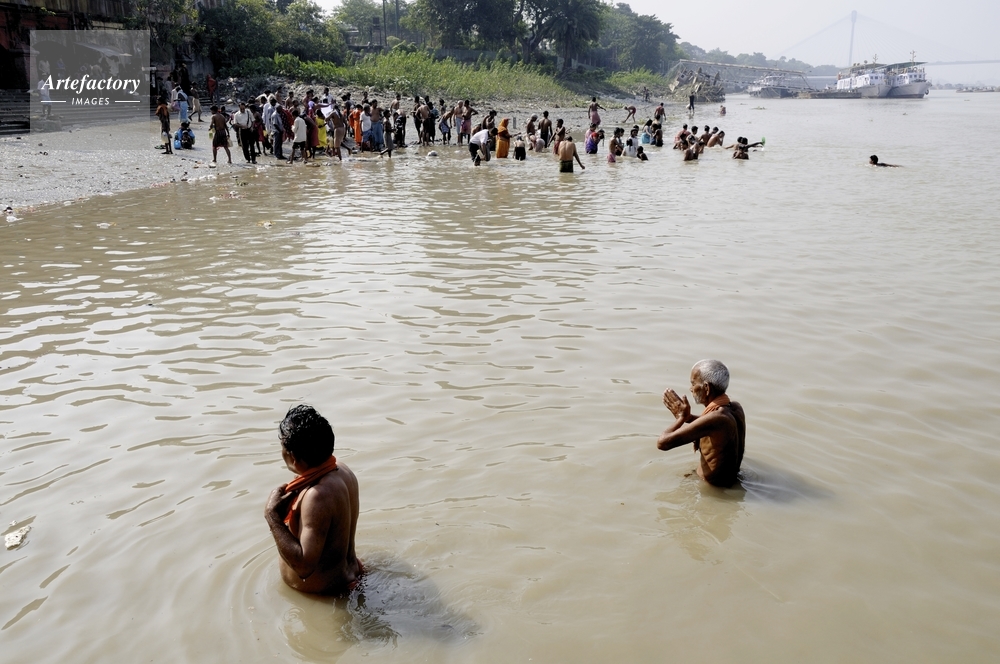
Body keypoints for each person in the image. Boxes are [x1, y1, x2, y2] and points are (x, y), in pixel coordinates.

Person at [265, 405, 363, 595]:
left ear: (293, 456)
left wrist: (272, 517)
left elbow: (304, 567)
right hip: (351, 573)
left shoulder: (317, 496)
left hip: (330, 594)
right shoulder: (342, 471)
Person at [656, 359, 746, 488]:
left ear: (706, 388)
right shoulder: (735, 408)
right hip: (731, 482)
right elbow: (709, 425)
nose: (691, 389)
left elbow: (662, 443)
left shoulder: (717, 418)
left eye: (693, 383)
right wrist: (688, 417)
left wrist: (681, 418)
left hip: (713, 490)